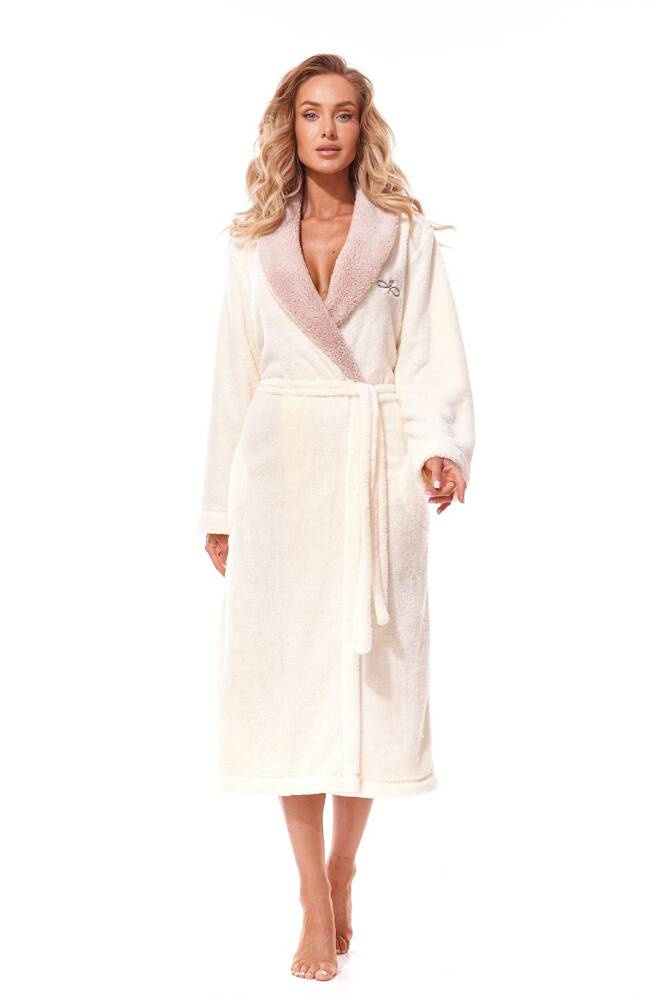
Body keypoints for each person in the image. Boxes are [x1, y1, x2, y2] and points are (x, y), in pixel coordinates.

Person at [197, 53, 475, 981]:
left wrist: (439, 445)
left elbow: (429, 350)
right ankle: (311, 898)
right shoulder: (253, 243)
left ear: (362, 127)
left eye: (343, 113)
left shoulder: (401, 235)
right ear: (290, 125)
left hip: (373, 467)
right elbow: (233, 374)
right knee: (287, 682)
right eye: (311, 113)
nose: (327, 129)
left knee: (372, 675)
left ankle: (344, 866)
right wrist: (219, 505)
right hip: (280, 472)